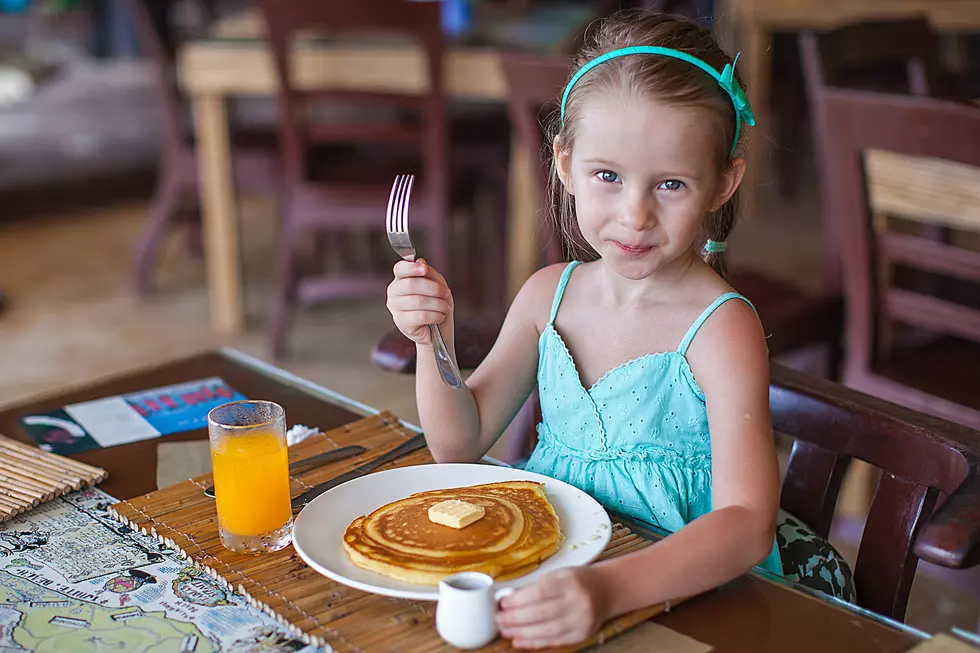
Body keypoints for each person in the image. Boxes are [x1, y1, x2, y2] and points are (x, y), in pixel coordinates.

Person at [386, 10, 854, 649]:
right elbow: (456, 442)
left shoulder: (721, 329)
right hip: (559, 567)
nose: (635, 215)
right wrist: (429, 340)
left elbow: (746, 525)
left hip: (680, 592)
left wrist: (608, 590)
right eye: (608, 176)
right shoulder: (547, 297)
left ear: (722, 183)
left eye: (670, 184)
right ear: (565, 164)